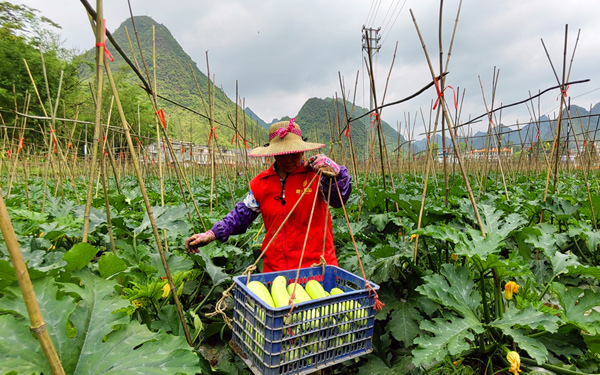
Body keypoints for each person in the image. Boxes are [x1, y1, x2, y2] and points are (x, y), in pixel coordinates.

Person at [185, 118, 352, 272]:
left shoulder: (316, 175)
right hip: (277, 270)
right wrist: (212, 233)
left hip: (317, 265)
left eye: (293, 153)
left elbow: (338, 200)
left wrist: (337, 175)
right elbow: (240, 215)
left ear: (302, 151)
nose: (288, 159)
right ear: (273, 154)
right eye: (282, 154)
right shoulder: (262, 182)